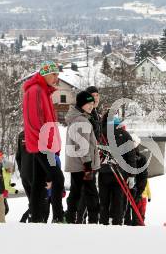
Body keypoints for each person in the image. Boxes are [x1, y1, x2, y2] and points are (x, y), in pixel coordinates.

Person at [22, 60, 64, 223]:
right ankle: (58, 217)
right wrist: (47, 146)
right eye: (54, 74)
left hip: (44, 145)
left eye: (57, 75)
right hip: (43, 146)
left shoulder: (43, 92)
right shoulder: (36, 91)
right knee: (58, 178)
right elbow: (35, 122)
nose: (56, 78)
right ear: (45, 74)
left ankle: (35, 217)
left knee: (39, 182)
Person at [64, 91, 100, 224]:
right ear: (81, 104)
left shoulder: (76, 118)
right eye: (88, 103)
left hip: (76, 164)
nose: (91, 106)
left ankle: (70, 218)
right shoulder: (81, 120)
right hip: (83, 165)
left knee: (76, 192)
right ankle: (93, 221)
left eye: (92, 103)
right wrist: (88, 166)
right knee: (91, 193)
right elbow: (83, 146)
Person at [98, 111, 137, 225]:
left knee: (104, 202)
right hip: (120, 173)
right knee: (118, 202)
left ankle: (103, 223)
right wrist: (132, 176)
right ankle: (117, 223)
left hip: (104, 172)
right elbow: (131, 157)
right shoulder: (125, 134)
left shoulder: (101, 133)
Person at [124, 134, 148, 226]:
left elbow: (143, 176)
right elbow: (144, 177)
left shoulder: (141, 158)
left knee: (133, 212)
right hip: (130, 187)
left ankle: (133, 224)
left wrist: (139, 191)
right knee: (128, 211)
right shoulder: (126, 157)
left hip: (135, 188)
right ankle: (131, 224)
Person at [16, 131, 35, 223]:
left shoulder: (21, 135)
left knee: (32, 201)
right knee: (39, 202)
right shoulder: (38, 132)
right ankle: (30, 220)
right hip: (35, 174)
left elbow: (18, 157)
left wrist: (22, 171)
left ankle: (29, 220)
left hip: (25, 174)